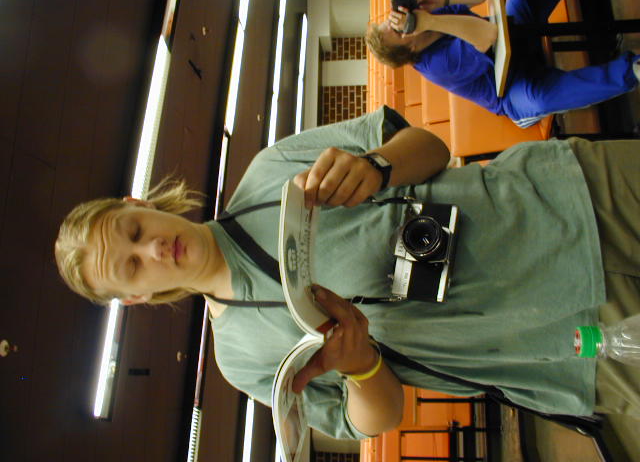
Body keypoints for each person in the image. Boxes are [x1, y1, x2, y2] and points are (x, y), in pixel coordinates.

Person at [55, 107, 640, 456]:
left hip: (571, 197)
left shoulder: (269, 172)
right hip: (567, 346)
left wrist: (377, 167)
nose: (153, 248)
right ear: (135, 297)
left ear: (139, 204)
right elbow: (374, 420)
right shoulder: (241, 357)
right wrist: (361, 366)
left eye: (135, 230)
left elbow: (430, 147)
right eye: (133, 265)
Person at [366, 0, 640, 128]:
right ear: (410, 48)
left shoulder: (426, 14)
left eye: (392, 21)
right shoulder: (436, 65)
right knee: (541, 97)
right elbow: (488, 35)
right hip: (509, 90)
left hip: (512, 39)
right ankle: (632, 71)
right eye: (397, 31)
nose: (399, 22)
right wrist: (430, 22)